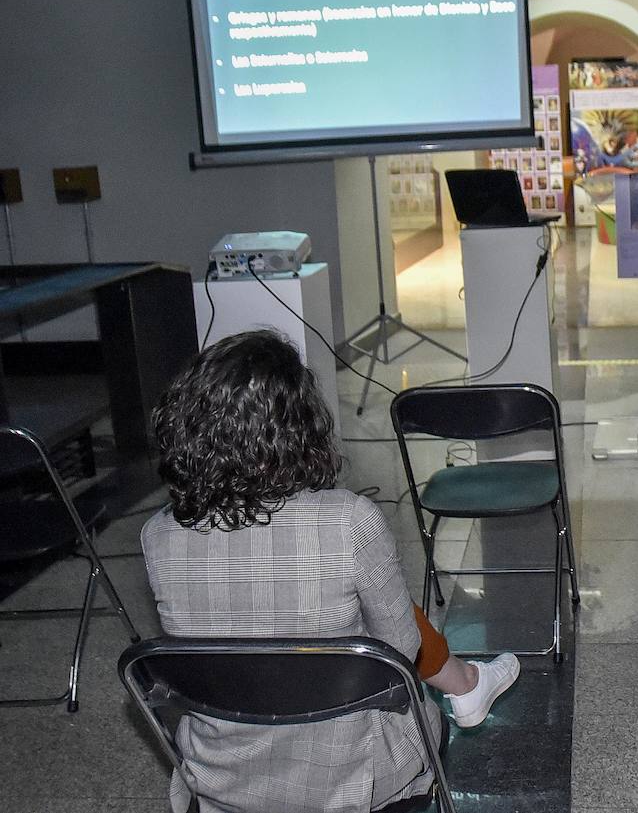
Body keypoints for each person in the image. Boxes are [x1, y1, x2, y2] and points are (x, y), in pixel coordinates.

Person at [141, 330, 520, 813]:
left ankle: (464, 681)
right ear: (300, 426)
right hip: (350, 777)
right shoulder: (349, 519)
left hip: (223, 781)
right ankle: (465, 683)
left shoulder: (159, 536)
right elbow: (400, 658)